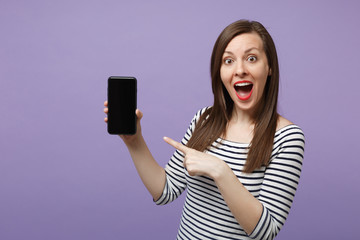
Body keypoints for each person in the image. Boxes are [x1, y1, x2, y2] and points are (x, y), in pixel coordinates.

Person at [104, 19, 305, 240]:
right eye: (228, 61)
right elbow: (165, 191)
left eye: (251, 58)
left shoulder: (287, 138)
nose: (239, 70)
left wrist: (221, 172)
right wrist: (135, 142)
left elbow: (265, 232)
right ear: (219, 72)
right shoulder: (204, 118)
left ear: (269, 68)